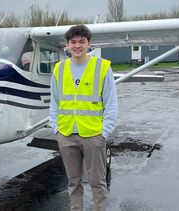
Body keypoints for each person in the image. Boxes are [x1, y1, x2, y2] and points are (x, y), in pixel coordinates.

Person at [49, 24, 117, 211]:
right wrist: (56, 129)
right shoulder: (59, 69)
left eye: (82, 41)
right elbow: (54, 102)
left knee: (98, 182)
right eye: (73, 42)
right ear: (67, 45)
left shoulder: (102, 67)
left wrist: (104, 132)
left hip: (93, 134)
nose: (77, 46)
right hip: (66, 133)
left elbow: (111, 103)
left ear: (89, 44)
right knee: (73, 182)